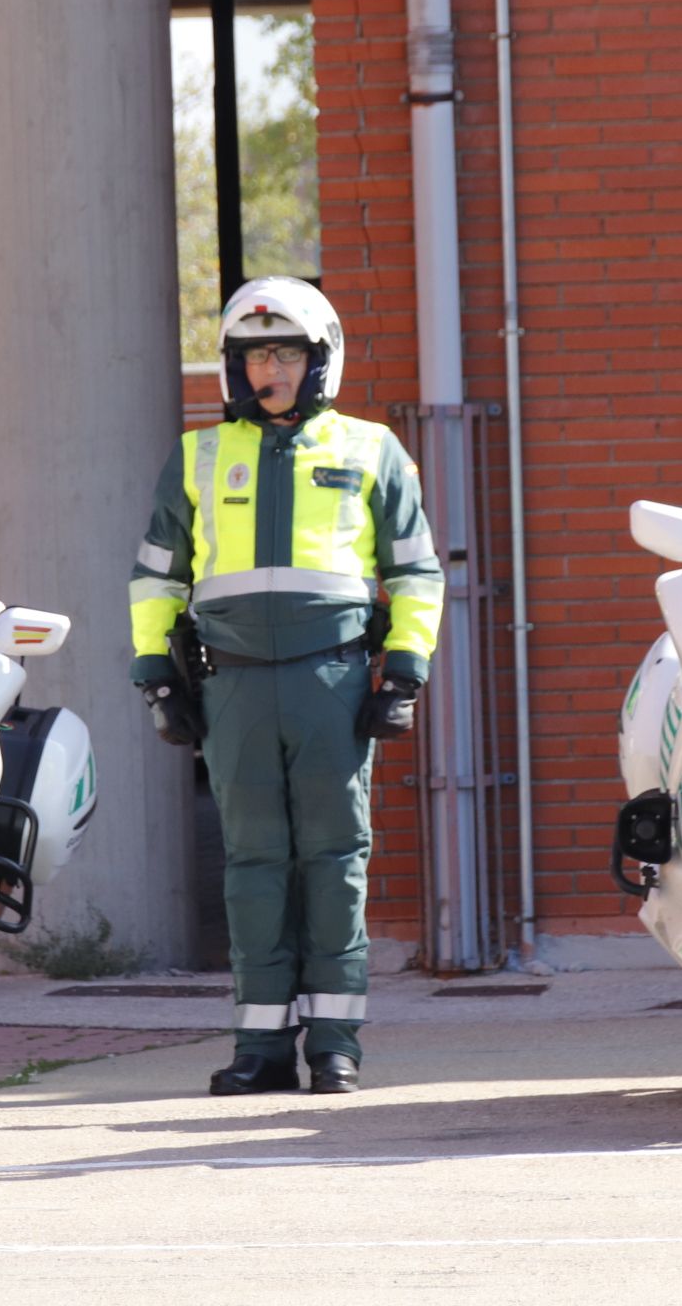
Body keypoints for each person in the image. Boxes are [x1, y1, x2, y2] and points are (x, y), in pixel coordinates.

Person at [128, 278, 445, 1096]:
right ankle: (260, 1046)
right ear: (234, 366)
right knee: (254, 864)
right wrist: (156, 674)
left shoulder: (372, 449)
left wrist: (403, 671)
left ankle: (335, 1043)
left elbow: (416, 574)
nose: (271, 368)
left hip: (332, 679)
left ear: (320, 361)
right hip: (230, 684)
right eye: (255, 354)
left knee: (334, 861)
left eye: (288, 352)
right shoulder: (198, 454)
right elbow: (154, 578)